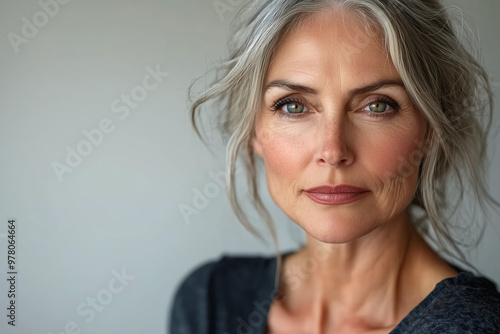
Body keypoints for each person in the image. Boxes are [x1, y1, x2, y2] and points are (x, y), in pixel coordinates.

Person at [170, 0, 500, 333]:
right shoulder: (211, 301)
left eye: (377, 105)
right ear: (253, 129)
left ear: (431, 128)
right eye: (294, 106)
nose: (333, 150)